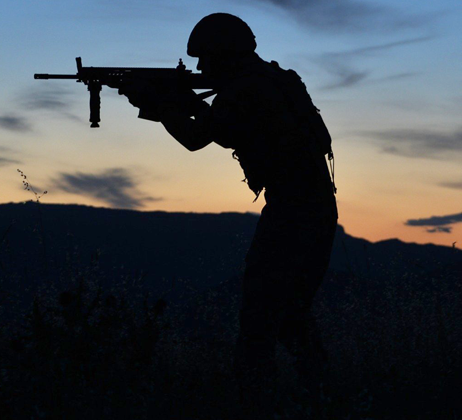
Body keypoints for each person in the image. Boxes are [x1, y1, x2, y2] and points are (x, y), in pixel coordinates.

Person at [118, 13, 338, 418]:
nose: (200, 69)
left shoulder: (245, 91)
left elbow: (195, 138)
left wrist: (154, 103)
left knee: (259, 317)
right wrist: (170, 101)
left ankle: (258, 403)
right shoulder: (274, 80)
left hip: (293, 210)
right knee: (289, 315)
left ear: (226, 55)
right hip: (317, 208)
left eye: (206, 59)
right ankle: (323, 396)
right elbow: (220, 125)